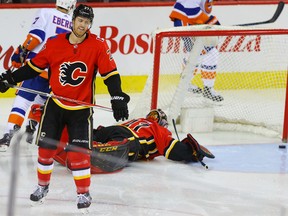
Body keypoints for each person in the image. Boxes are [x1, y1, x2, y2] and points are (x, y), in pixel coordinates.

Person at [0, 4, 130, 213]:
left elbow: (110, 74)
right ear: (73, 21)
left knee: (79, 154)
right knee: (45, 151)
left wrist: (117, 97)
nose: (83, 25)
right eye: (80, 21)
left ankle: (83, 193)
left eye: (87, 22)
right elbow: (34, 67)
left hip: (81, 109)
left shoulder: (98, 45)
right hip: (55, 106)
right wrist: (10, 78)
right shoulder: (54, 44)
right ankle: (42, 187)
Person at [0, 0, 77, 152]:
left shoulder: (45, 12)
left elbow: (36, 36)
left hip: (37, 66)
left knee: (23, 100)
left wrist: (21, 51)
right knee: (42, 99)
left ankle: (8, 135)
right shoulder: (73, 24)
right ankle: (31, 128)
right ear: (72, 6)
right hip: (56, 71)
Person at [48, 108, 214, 173]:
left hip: (110, 129)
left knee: (88, 134)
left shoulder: (139, 119)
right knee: (121, 150)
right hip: (128, 139)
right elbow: (173, 150)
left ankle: (61, 134)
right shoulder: (159, 129)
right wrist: (192, 152)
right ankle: (92, 151)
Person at [169, 0, 224, 102]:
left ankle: (203, 88)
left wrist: (211, 22)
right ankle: (186, 84)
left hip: (192, 21)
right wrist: (211, 21)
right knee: (198, 52)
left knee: (209, 52)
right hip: (185, 20)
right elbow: (191, 11)